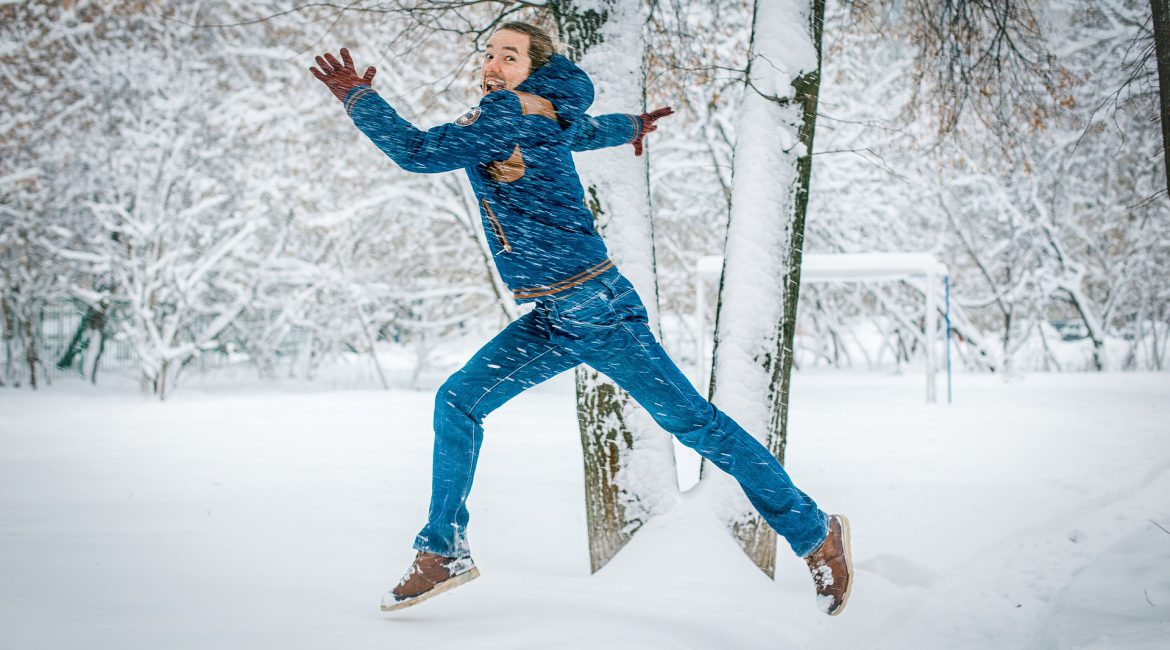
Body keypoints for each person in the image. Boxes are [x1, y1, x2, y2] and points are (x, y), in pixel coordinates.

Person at [310, 21, 853, 616]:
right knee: (458, 401)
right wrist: (632, 128)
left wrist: (358, 98)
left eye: (509, 56)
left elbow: (416, 152)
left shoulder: (505, 116)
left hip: (598, 312)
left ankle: (814, 531)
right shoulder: (544, 111)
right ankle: (443, 551)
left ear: (534, 68)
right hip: (556, 312)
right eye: (489, 54)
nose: (493, 64)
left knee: (698, 426)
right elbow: (584, 130)